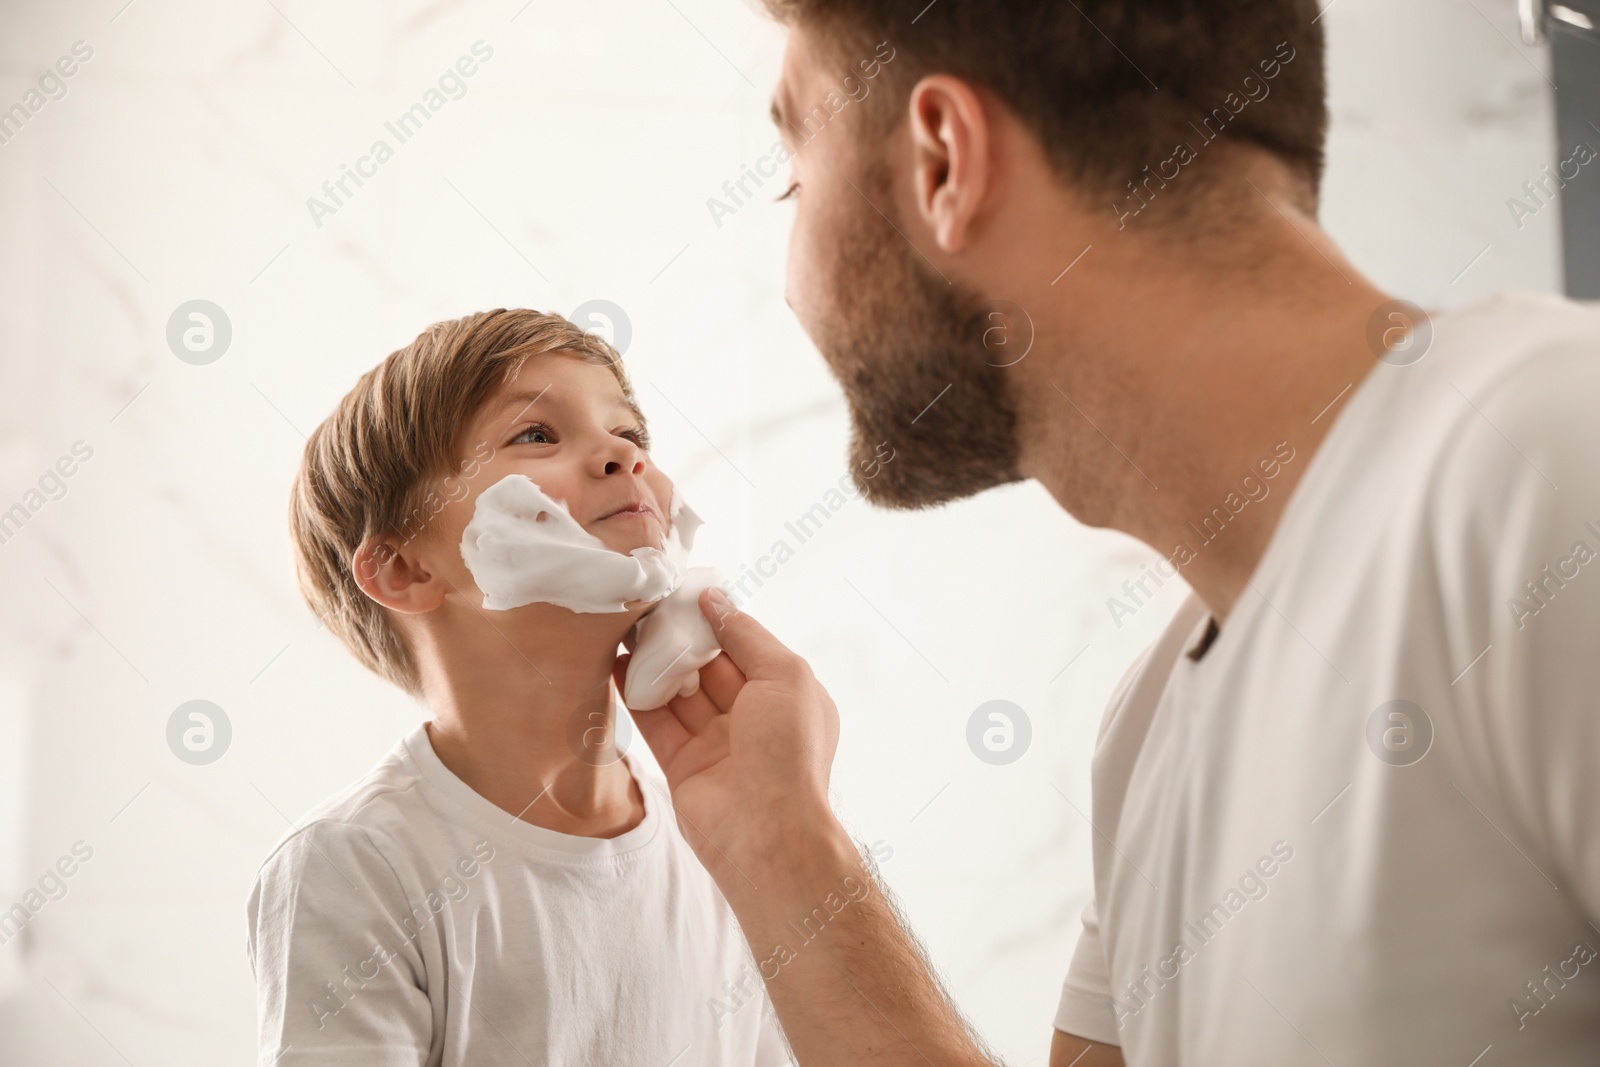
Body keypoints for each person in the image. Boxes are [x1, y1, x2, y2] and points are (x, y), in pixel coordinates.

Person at [612, 1, 1600, 1064]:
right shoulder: (1150, 731)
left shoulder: (1550, 458)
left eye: (794, 179)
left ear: (943, 159)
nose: (792, 285)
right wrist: (778, 843)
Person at [248, 309, 793, 1066]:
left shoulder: (717, 838)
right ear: (404, 570)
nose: (622, 456)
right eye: (536, 435)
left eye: (631, 434)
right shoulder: (356, 866)